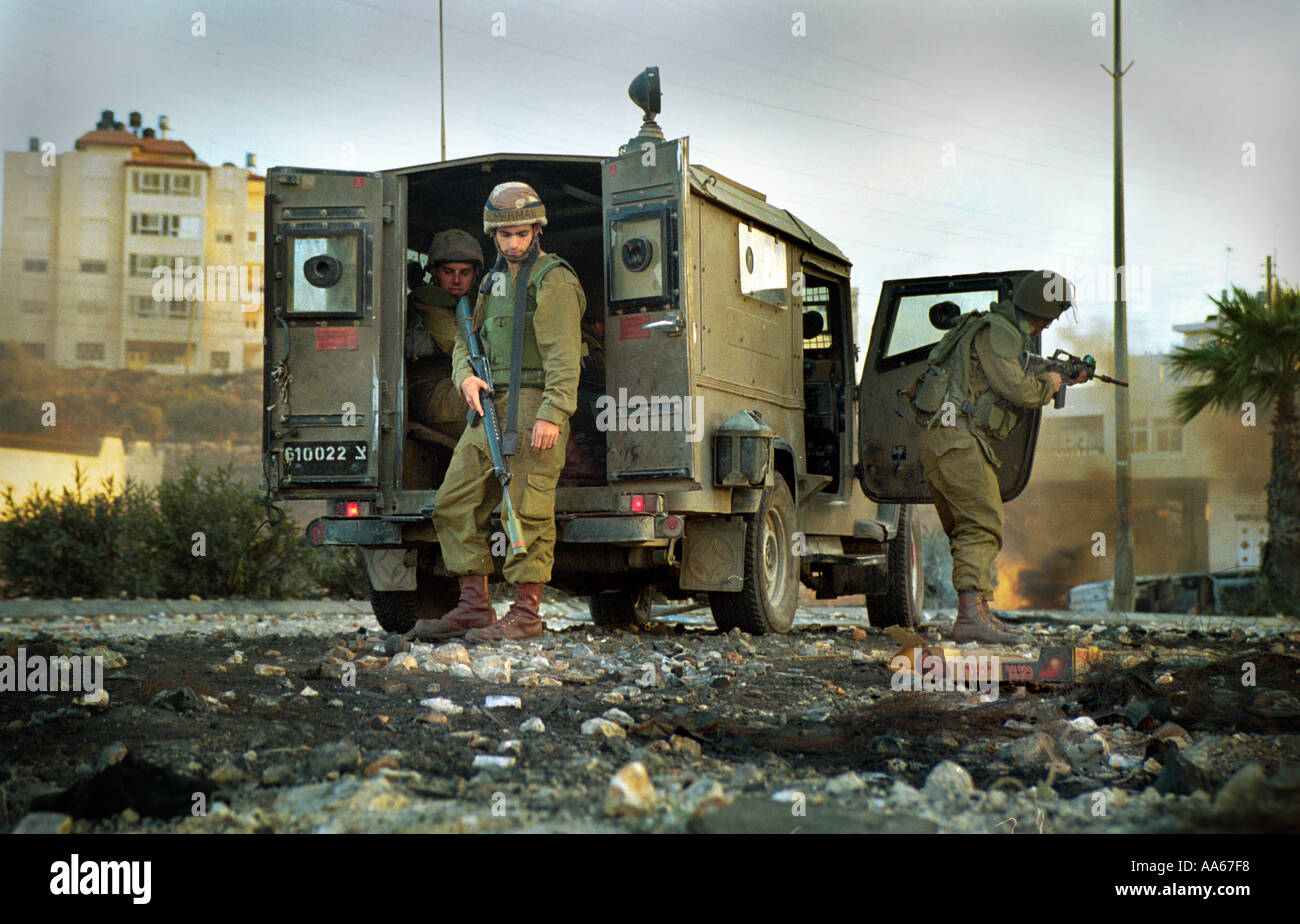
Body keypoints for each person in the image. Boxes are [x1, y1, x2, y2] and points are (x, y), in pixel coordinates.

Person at [408, 182, 585, 643]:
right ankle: (473, 607)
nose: (513, 243)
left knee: (527, 507)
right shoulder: (491, 281)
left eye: (521, 234)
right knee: (454, 502)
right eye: (504, 236)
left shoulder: (554, 278)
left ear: (536, 231)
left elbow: (564, 357)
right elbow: (470, 342)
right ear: (493, 235)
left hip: (532, 403)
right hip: (487, 403)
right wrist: (465, 376)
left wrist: (553, 413)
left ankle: (525, 613)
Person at [905, 270, 1089, 644]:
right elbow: (1017, 387)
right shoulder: (999, 331)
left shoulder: (996, 331)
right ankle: (971, 616)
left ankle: (978, 610)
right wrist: (1051, 384)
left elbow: (1002, 375)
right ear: (1040, 307)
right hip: (956, 439)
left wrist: (1061, 375)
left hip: (949, 439)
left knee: (968, 526)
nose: (1051, 322)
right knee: (982, 522)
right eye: (1051, 314)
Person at [406, 229, 482, 439]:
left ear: (475, 274)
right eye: (449, 272)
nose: (456, 280)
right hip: (429, 392)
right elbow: (459, 342)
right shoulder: (428, 305)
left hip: (449, 384)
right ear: (434, 273)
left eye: (464, 273)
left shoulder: (468, 304)